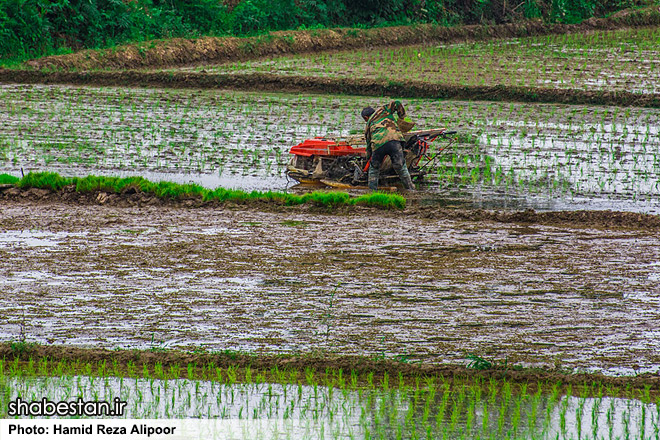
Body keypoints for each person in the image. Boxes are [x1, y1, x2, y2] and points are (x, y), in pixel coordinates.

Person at [362, 101, 415, 191]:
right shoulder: (383, 110)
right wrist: (402, 117)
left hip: (378, 144)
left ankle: (372, 191)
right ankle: (410, 189)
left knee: (374, 169)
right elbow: (397, 103)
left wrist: (368, 159)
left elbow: (368, 145)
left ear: (366, 117)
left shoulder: (368, 125)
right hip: (395, 140)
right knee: (401, 167)